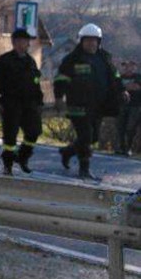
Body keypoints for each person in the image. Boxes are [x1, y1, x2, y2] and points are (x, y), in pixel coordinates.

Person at [54, 23, 129, 180]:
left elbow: (115, 77)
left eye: (94, 40)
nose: (91, 43)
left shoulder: (105, 59)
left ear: (99, 41)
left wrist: (122, 90)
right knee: (86, 136)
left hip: (98, 106)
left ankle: (67, 152)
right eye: (88, 40)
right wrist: (59, 97)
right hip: (78, 105)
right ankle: (84, 169)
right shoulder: (72, 59)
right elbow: (61, 79)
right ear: (81, 41)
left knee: (93, 137)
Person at [0, 29, 44, 175]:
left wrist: (39, 101)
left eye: (26, 41)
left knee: (33, 132)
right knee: (10, 137)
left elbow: (36, 82)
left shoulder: (30, 61)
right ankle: (7, 165)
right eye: (20, 41)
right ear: (14, 43)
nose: (24, 44)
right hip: (11, 103)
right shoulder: (4, 61)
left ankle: (22, 157)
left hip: (29, 103)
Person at [115, 60, 141, 156]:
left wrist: (121, 87)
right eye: (125, 66)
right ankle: (120, 148)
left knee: (131, 128)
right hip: (121, 105)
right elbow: (114, 89)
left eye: (130, 66)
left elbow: (136, 86)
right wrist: (123, 87)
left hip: (135, 106)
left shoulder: (138, 77)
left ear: (135, 67)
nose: (127, 68)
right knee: (120, 128)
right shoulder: (119, 77)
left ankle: (128, 148)